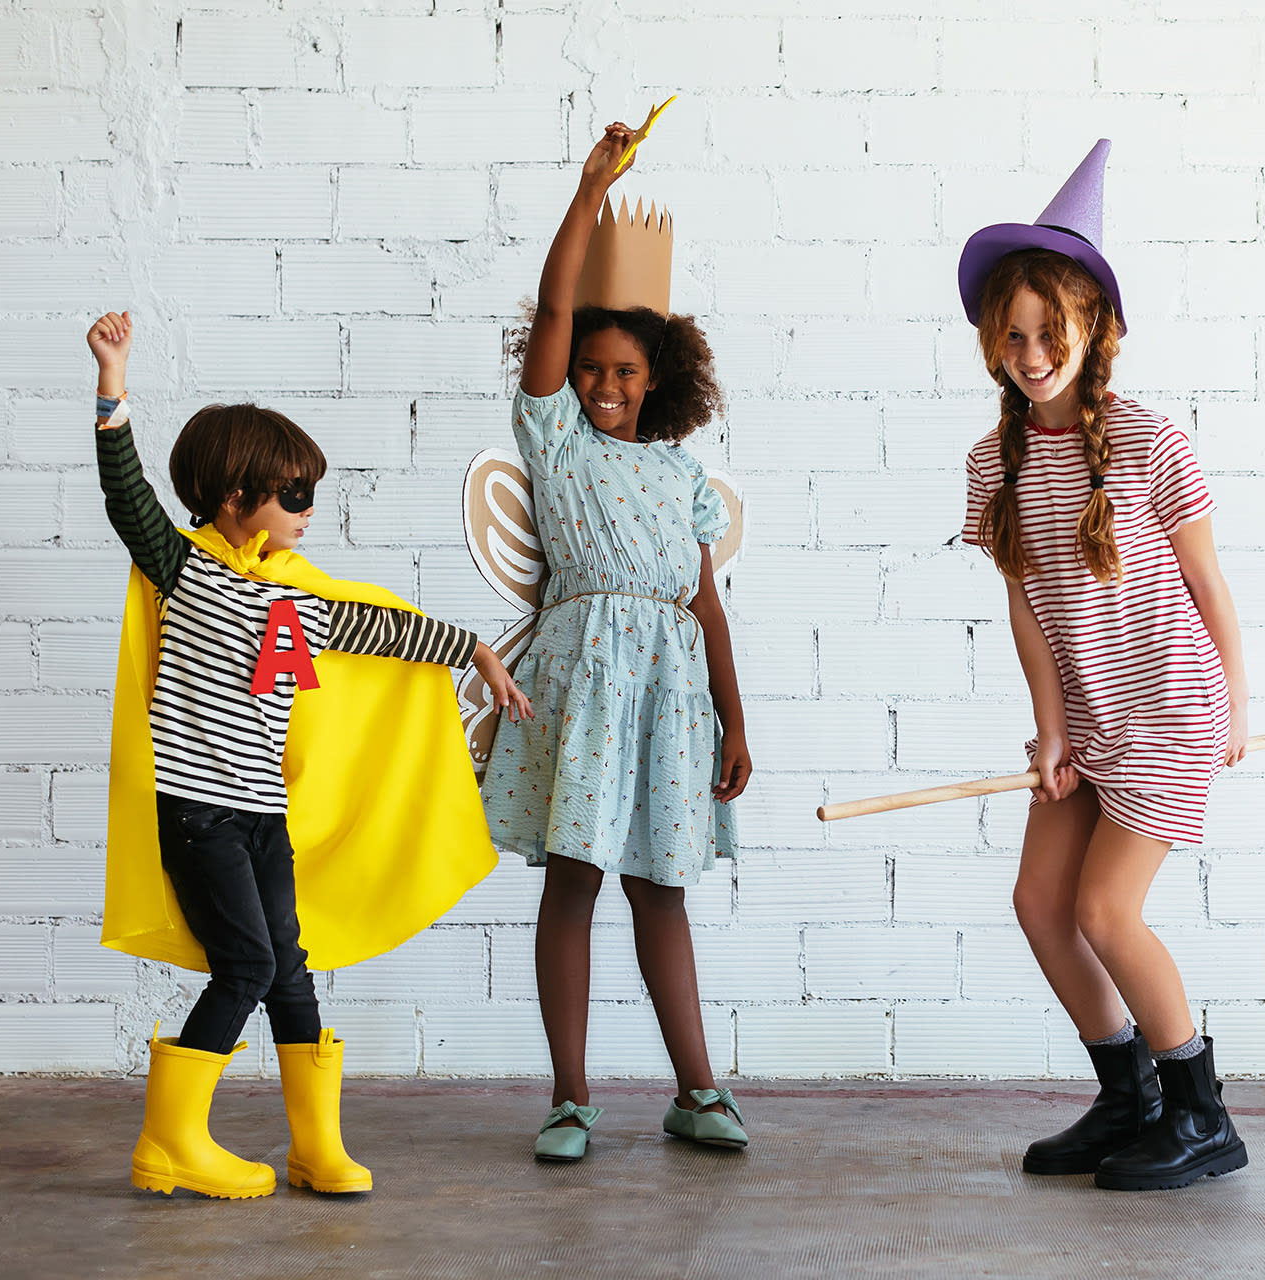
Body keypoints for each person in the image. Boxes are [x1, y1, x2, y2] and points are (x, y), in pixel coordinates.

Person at [86, 311, 527, 1198]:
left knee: (289, 968)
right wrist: (114, 385)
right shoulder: (186, 569)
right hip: (198, 813)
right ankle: (169, 1139)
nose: (307, 511)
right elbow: (127, 495)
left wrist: (474, 646)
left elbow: (388, 631)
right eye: (291, 494)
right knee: (246, 965)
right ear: (232, 495)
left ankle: (314, 1146)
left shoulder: (301, 604)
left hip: (261, 817)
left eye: (310, 493)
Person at [958, 141, 1251, 1192]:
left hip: (1170, 705)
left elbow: (1211, 586)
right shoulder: (993, 462)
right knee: (1043, 903)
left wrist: (1235, 700)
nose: (1032, 352)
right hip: (1085, 716)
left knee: (1105, 912)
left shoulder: (1150, 439)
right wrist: (1049, 726)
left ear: (1097, 329)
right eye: (1014, 335)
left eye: (1052, 331)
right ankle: (1129, 1097)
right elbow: (1025, 604)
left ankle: (1203, 1113)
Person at [480, 123, 752, 1161]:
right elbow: (555, 305)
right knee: (574, 877)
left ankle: (698, 1086)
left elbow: (706, 606)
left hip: (670, 690)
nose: (603, 382)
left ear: (659, 376)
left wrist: (735, 715)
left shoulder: (682, 474)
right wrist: (590, 191)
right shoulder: (555, 441)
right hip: (583, 683)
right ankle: (569, 1095)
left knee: (661, 885)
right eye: (590, 365)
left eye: (625, 369)